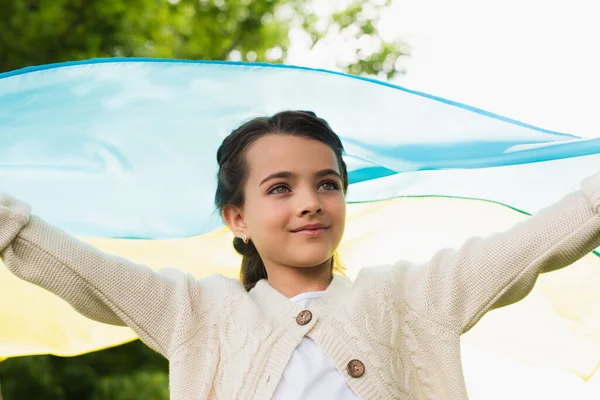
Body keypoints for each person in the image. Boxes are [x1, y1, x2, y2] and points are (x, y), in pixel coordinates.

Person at [1, 110, 599, 399]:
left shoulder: (412, 297)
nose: (310, 202)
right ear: (237, 219)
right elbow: (79, 269)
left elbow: (538, 242)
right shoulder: (195, 311)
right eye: (280, 187)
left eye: (327, 184)